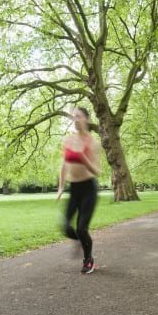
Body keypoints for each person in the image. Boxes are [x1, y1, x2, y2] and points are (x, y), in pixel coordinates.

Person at [57, 107, 101, 274]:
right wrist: (61, 187)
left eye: (78, 116)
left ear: (86, 119)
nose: (75, 119)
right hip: (74, 188)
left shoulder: (93, 142)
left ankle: (88, 259)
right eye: (72, 116)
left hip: (89, 188)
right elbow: (64, 164)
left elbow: (97, 171)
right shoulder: (68, 140)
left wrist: (83, 158)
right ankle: (80, 241)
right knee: (66, 227)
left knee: (82, 228)